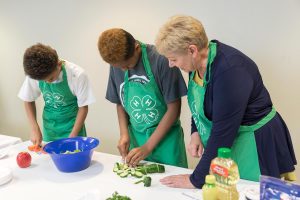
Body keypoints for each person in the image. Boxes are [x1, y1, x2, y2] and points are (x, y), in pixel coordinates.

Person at [155, 15, 297, 188]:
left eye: (173, 59)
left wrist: (195, 179)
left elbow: (222, 132)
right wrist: (195, 132)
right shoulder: (196, 64)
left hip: (254, 143)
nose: (171, 65)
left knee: (248, 191)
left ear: (192, 50)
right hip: (229, 140)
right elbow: (199, 103)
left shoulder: (230, 71)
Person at [97, 28, 187, 168]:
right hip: (137, 139)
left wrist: (148, 147)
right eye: (119, 67)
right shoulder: (117, 64)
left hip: (167, 141)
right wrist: (124, 134)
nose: (124, 70)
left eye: (127, 65)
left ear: (136, 48)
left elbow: (174, 109)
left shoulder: (161, 60)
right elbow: (120, 103)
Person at [18, 43, 95, 145]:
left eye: (50, 78)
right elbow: (28, 100)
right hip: (49, 129)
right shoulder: (36, 74)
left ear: (58, 64)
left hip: (73, 127)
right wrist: (34, 128)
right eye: (44, 81)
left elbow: (83, 107)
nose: (48, 83)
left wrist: (73, 136)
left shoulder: (77, 75)